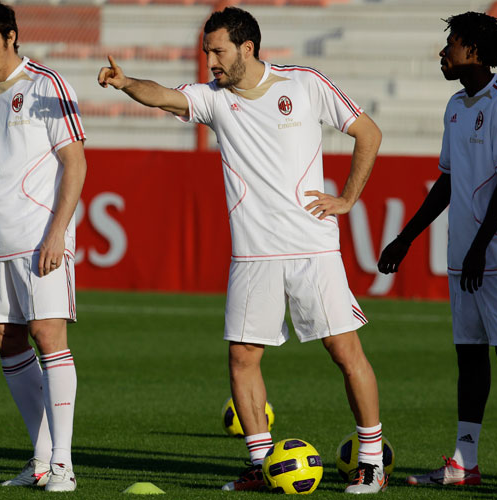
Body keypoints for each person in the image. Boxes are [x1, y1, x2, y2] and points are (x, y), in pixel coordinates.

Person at [98, 7, 386, 494]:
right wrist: (127, 83)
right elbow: (164, 96)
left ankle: (372, 462)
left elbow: (368, 133)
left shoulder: (304, 83)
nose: (209, 60)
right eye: (206, 50)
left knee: (344, 350)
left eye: (217, 50)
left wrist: (348, 198)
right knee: (242, 357)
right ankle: (259, 461)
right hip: (253, 255)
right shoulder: (212, 99)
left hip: (312, 248)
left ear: (247, 48)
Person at [377, 11, 497, 487]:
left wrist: (483, 244)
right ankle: (464, 461)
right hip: (464, 254)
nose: (443, 53)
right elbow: (446, 182)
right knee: (470, 356)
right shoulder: (454, 105)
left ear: (474, 50)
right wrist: (406, 238)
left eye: (451, 44)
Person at [0, 0, 86, 492]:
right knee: (5, 339)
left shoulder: (47, 85)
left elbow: (75, 163)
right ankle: (43, 458)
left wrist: (57, 232)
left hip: (40, 239)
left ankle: (64, 465)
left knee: (49, 337)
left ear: (11, 36)